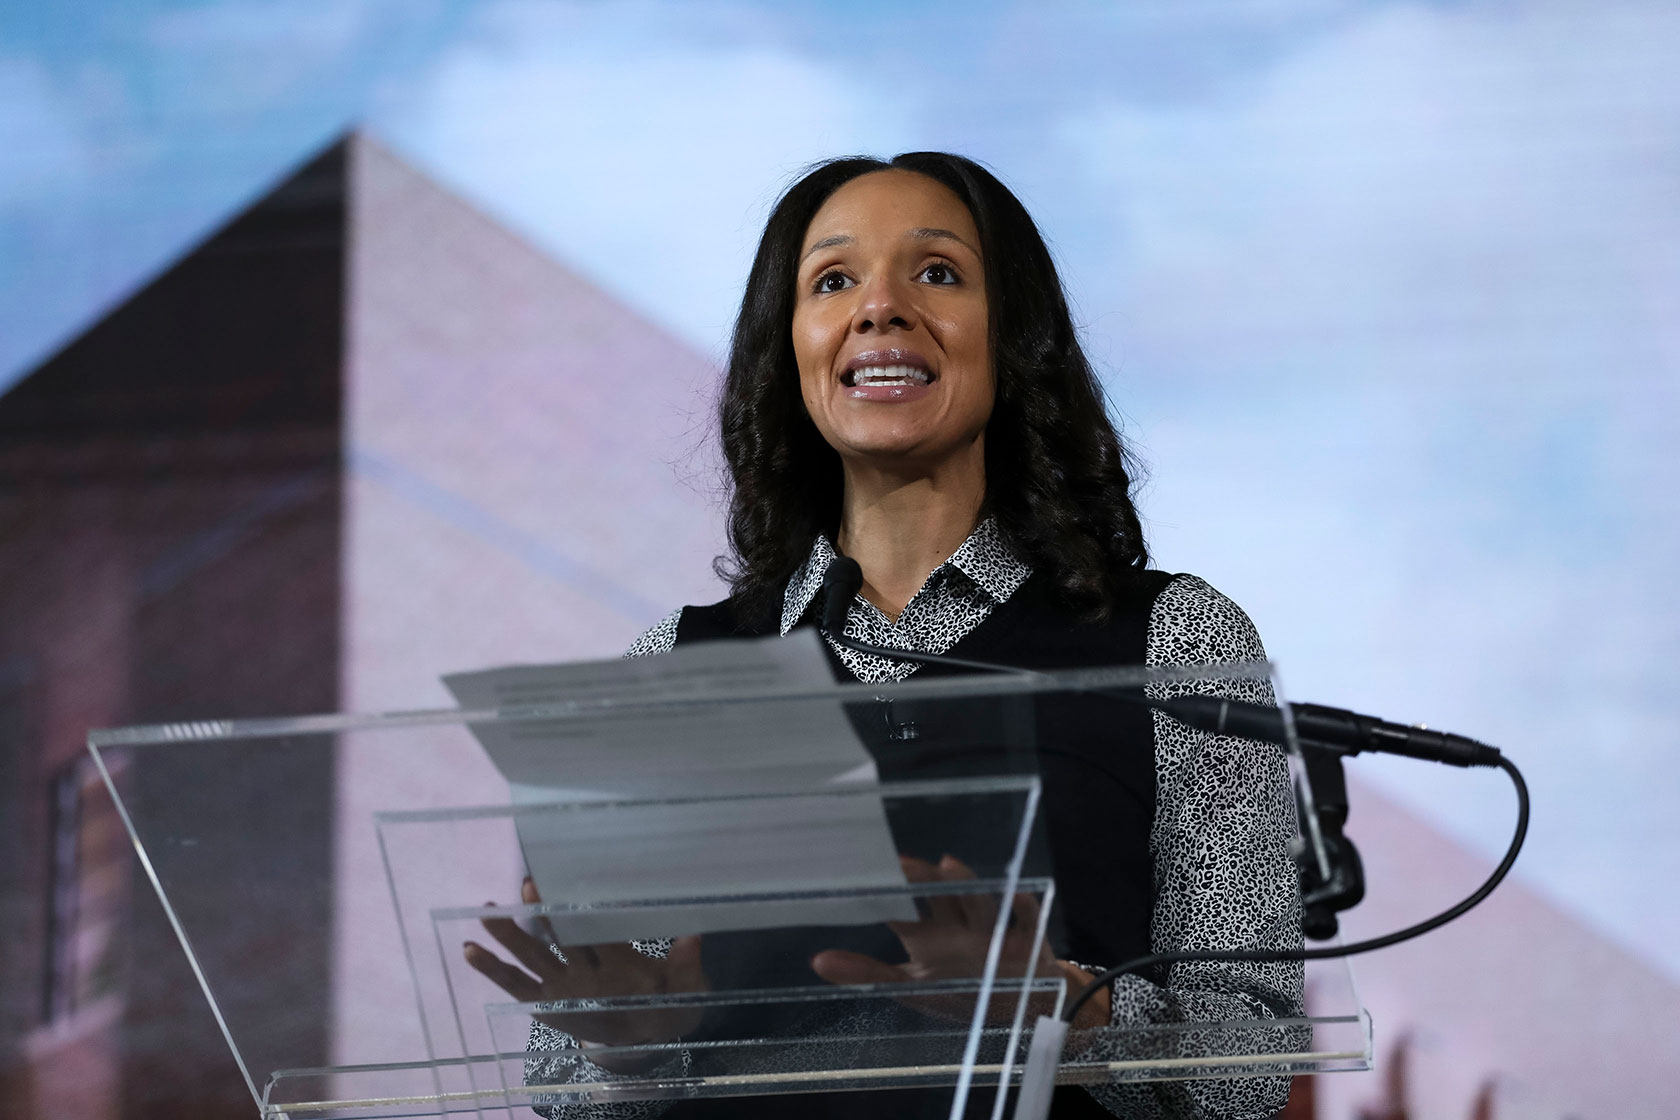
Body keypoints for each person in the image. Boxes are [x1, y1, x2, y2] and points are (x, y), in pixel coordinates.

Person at [465, 153, 1303, 1119]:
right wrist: (635, 1046)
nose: (880, 309)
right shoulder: (680, 667)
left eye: (937, 272)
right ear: (792, 349)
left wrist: (1072, 1010)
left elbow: (1249, 1067)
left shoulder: (1174, 639)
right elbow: (567, 1085)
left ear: (1013, 334)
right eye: (833, 281)